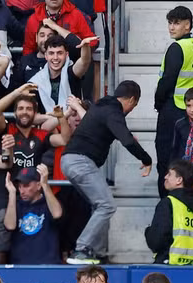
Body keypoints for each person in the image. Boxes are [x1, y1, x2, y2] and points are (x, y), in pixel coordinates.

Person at [62, 80, 152, 265]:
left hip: (70, 160)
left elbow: (118, 132)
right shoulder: (113, 111)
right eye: (134, 106)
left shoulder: (102, 106)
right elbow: (127, 140)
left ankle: (96, 251)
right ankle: (82, 248)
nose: (131, 109)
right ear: (131, 100)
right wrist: (146, 159)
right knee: (107, 205)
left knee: (99, 205)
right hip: (81, 160)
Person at [154, 6, 193, 196]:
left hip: (173, 107)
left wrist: (158, 103)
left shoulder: (177, 47)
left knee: (166, 162)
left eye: (176, 23)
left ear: (187, 25)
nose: (171, 27)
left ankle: (167, 206)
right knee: (184, 162)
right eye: (170, 23)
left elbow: (167, 80)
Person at [145, 159, 193, 265]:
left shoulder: (168, 203)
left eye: (169, 174)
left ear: (179, 180)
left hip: (169, 265)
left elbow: (157, 241)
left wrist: (148, 232)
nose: (165, 177)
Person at [4, 166, 63, 265]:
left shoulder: (48, 202)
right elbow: (10, 226)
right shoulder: (16, 204)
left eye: (26, 186)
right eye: (20, 186)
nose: (22, 191)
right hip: (20, 266)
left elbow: (57, 214)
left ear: (38, 185)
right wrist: (12, 194)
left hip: (48, 266)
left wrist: (45, 185)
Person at [29, 35, 95, 109]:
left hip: (71, 119)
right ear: (46, 56)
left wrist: (85, 46)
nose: (55, 57)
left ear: (66, 55)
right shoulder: (37, 80)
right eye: (51, 53)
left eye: (60, 53)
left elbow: (84, 61)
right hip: (46, 120)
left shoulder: (71, 72)